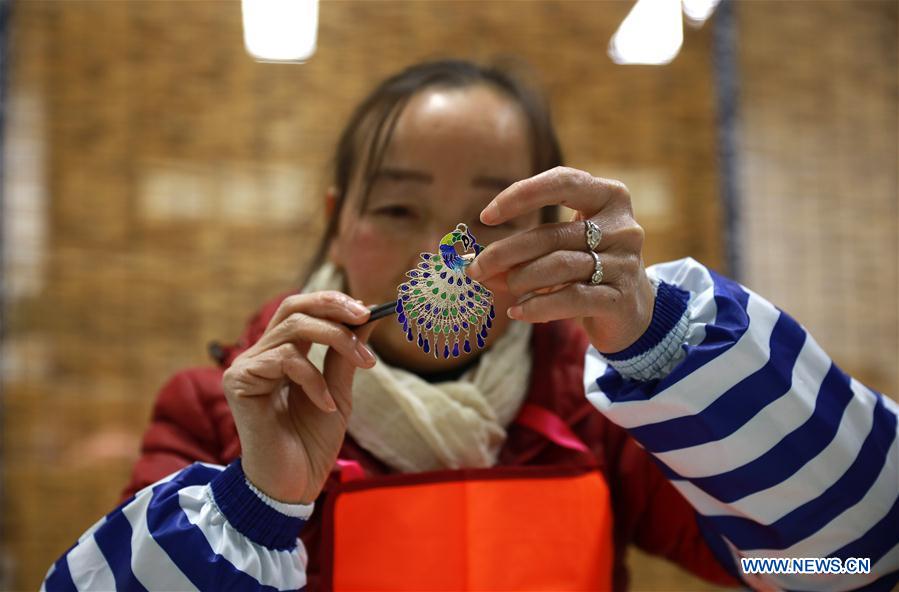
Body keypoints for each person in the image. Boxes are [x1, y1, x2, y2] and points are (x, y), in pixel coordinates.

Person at [43, 59, 898, 592]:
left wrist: (665, 345)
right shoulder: (219, 412)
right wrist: (255, 506)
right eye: (399, 207)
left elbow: (840, 567)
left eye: (491, 219)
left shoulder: (607, 414)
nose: (445, 255)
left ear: (559, 228)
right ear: (339, 222)